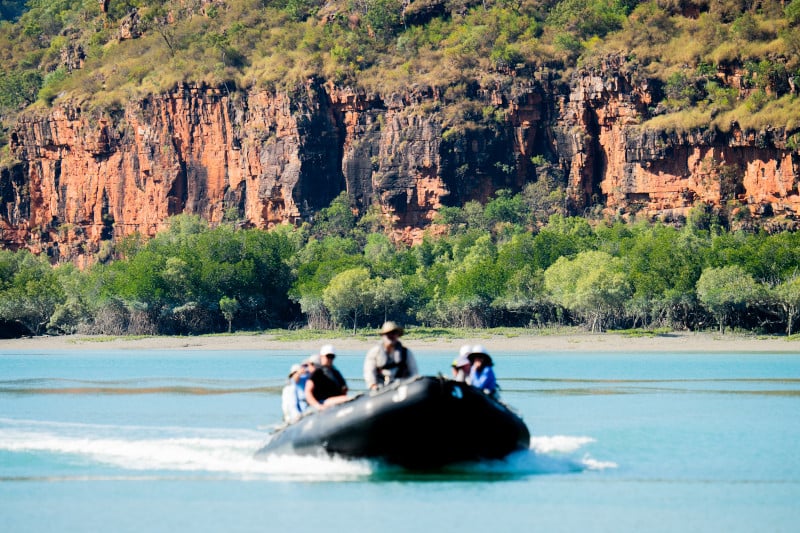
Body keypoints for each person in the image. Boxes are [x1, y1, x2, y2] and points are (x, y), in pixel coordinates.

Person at [364, 321, 418, 390]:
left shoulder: (406, 352)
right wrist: (373, 385)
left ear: (397, 335)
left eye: (394, 333)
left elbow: (414, 372)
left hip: (402, 388)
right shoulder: (374, 352)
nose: (391, 336)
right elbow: (369, 371)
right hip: (380, 389)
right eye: (388, 334)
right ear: (383, 336)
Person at [305, 344, 349, 409]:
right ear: (321, 356)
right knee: (345, 399)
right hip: (323, 402)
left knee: (347, 399)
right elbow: (308, 391)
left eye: (332, 356)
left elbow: (344, 389)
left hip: (336, 402)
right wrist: (317, 406)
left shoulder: (336, 373)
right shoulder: (318, 373)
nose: (330, 359)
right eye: (328, 356)